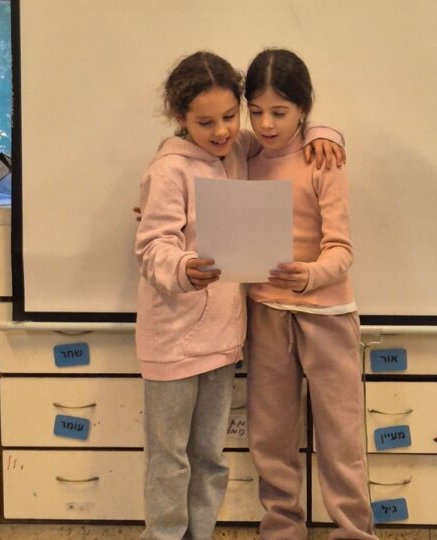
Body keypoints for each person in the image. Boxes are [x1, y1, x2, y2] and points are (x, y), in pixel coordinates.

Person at [134, 50, 344, 540]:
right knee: (170, 458)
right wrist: (182, 268)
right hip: (172, 342)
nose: (222, 130)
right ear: (181, 117)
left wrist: (324, 132)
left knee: (209, 457)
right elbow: (151, 247)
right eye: (206, 122)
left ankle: (198, 534)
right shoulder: (169, 169)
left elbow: (290, 131)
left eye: (231, 116)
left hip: (222, 341)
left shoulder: (239, 152)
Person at [244, 48, 378, 540]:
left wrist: (309, 275)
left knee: (341, 436)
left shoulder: (324, 159)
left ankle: (353, 532)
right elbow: (185, 147)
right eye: (256, 110)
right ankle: (282, 529)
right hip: (266, 313)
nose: (266, 124)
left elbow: (341, 249)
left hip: (326, 313)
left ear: (303, 108)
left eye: (279, 112)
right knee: (270, 436)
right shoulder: (244, 156)